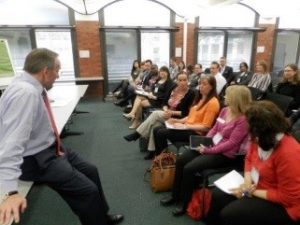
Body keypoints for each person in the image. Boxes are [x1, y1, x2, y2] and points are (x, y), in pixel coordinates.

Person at [0, 48, 123, 225]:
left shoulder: (26, 84)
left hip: (50, 147)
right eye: (57, 70)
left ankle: (101, 216)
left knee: (91, 170)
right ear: (45, 71)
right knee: (87, 192)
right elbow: (11, 143)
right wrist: (11, 192)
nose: (58, 75)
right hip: (36, 160)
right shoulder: (25, 94)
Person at [160, 85, 252, 217]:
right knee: (181, 160)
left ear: (236, 99)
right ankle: (175, 196)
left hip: (225, 154)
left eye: (227, 95)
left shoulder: (243, 119)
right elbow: (214, 129)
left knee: (190, 168)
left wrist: (209, 150)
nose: (224, 97)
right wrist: (205, 141)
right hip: (210, 146)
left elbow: (232, 143)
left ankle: (185, 203)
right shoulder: (225, 110)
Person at [204, 100, 300, 225]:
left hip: (285, 205)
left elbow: (288, 198)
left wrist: (248, 191)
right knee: (218, 195)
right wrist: (247, 181)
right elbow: (249, 158)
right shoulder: (261, 137)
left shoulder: (289, 153)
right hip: (257, 184)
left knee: (230, 214)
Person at [123, 72, 195, 160]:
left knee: (155, 114)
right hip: (166, 113)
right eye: (180, 80)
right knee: (155, 125)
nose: (182, 82)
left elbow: (187, 113)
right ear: (176, 81)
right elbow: (164, 102)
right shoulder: (173, 88)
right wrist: (165, 110)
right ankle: (152, 151)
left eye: (185, 80)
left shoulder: (191, 93)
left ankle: (137, 134)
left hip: (178, 118)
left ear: (188, 80)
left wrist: (171, 112)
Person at [153, 75, 220, 157]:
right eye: (200, 84)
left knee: (161, 133)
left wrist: (185, 126)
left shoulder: (213, 103)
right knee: (156, 129)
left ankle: (163, 160)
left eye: (204, 84)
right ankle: (160, 159)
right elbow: (190, 116)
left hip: (196, 133)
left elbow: (206, 127)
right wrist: (177, 121)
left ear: (212, 87)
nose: (201, 86)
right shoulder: (200, 99)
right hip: (188, 128)